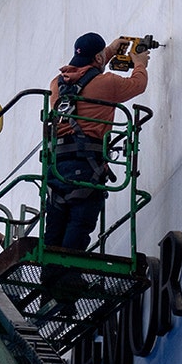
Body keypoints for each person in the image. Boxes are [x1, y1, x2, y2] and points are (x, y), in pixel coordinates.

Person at [43, 32, 150, 251]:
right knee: (80, 222)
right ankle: (67, 276)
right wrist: (139, 63)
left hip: (57, 163)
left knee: (56, 222)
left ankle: (50, 275)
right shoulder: (107, 82)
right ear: (99, 58)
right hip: (86, 162)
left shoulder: (56, 84)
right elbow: (137, 85)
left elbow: (86, 74)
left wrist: (109, 51)